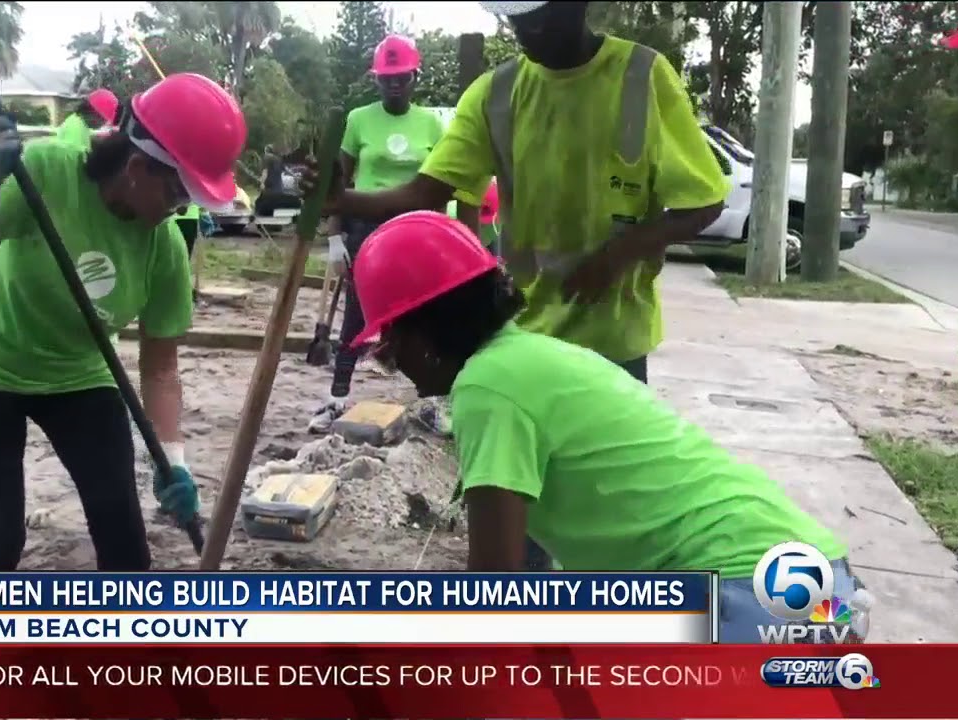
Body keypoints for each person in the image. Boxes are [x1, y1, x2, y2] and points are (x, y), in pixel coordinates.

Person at [346, 211, 869, 643]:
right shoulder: (528, 354)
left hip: (744, 597)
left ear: (424, 333)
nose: (394, 363)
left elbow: (493, 587)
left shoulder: (488, 388)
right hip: (815, 582)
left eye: (389, 345)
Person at [310, 1, 727, 387]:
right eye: (518, 20)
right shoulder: (496, 95)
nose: (529, 32)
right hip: (523, 334)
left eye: (541, 17)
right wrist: (342, 201)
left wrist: (617, 255)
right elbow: (425, 192)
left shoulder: (642, 77)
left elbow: (703, 203)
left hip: (614, 343)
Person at [0, 73, 247, 571]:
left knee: (126, 547)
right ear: (139, 168)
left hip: (79, 374)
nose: (180, 209)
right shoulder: (45, 174)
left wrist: (174, 463)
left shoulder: (164, 248)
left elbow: (161, 367)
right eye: (177, 194)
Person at [307, 33, 449, 434]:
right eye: (387, 78)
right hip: (366, 230)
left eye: (401, 77)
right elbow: (337, 185)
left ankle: (431, 403)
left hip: (415, 231)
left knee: (422, 317)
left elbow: (439, 185)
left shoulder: (431, 124)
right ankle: (336, 399)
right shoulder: (358, 120)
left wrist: (441, 233)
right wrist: (335, 238)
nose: (394, 84)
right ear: (377, 80)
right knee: (357, 315)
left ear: (414, 77)